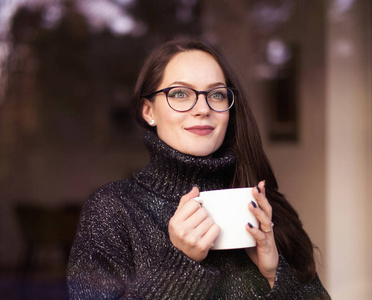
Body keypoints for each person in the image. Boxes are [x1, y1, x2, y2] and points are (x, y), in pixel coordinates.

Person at [67, 36, 331, 299]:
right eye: (180, 94)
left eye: (216, 94)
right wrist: (180, 266)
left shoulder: (263, 206)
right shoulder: (112, 210)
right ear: (148, 111)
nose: (203, 109)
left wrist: (275, 274)